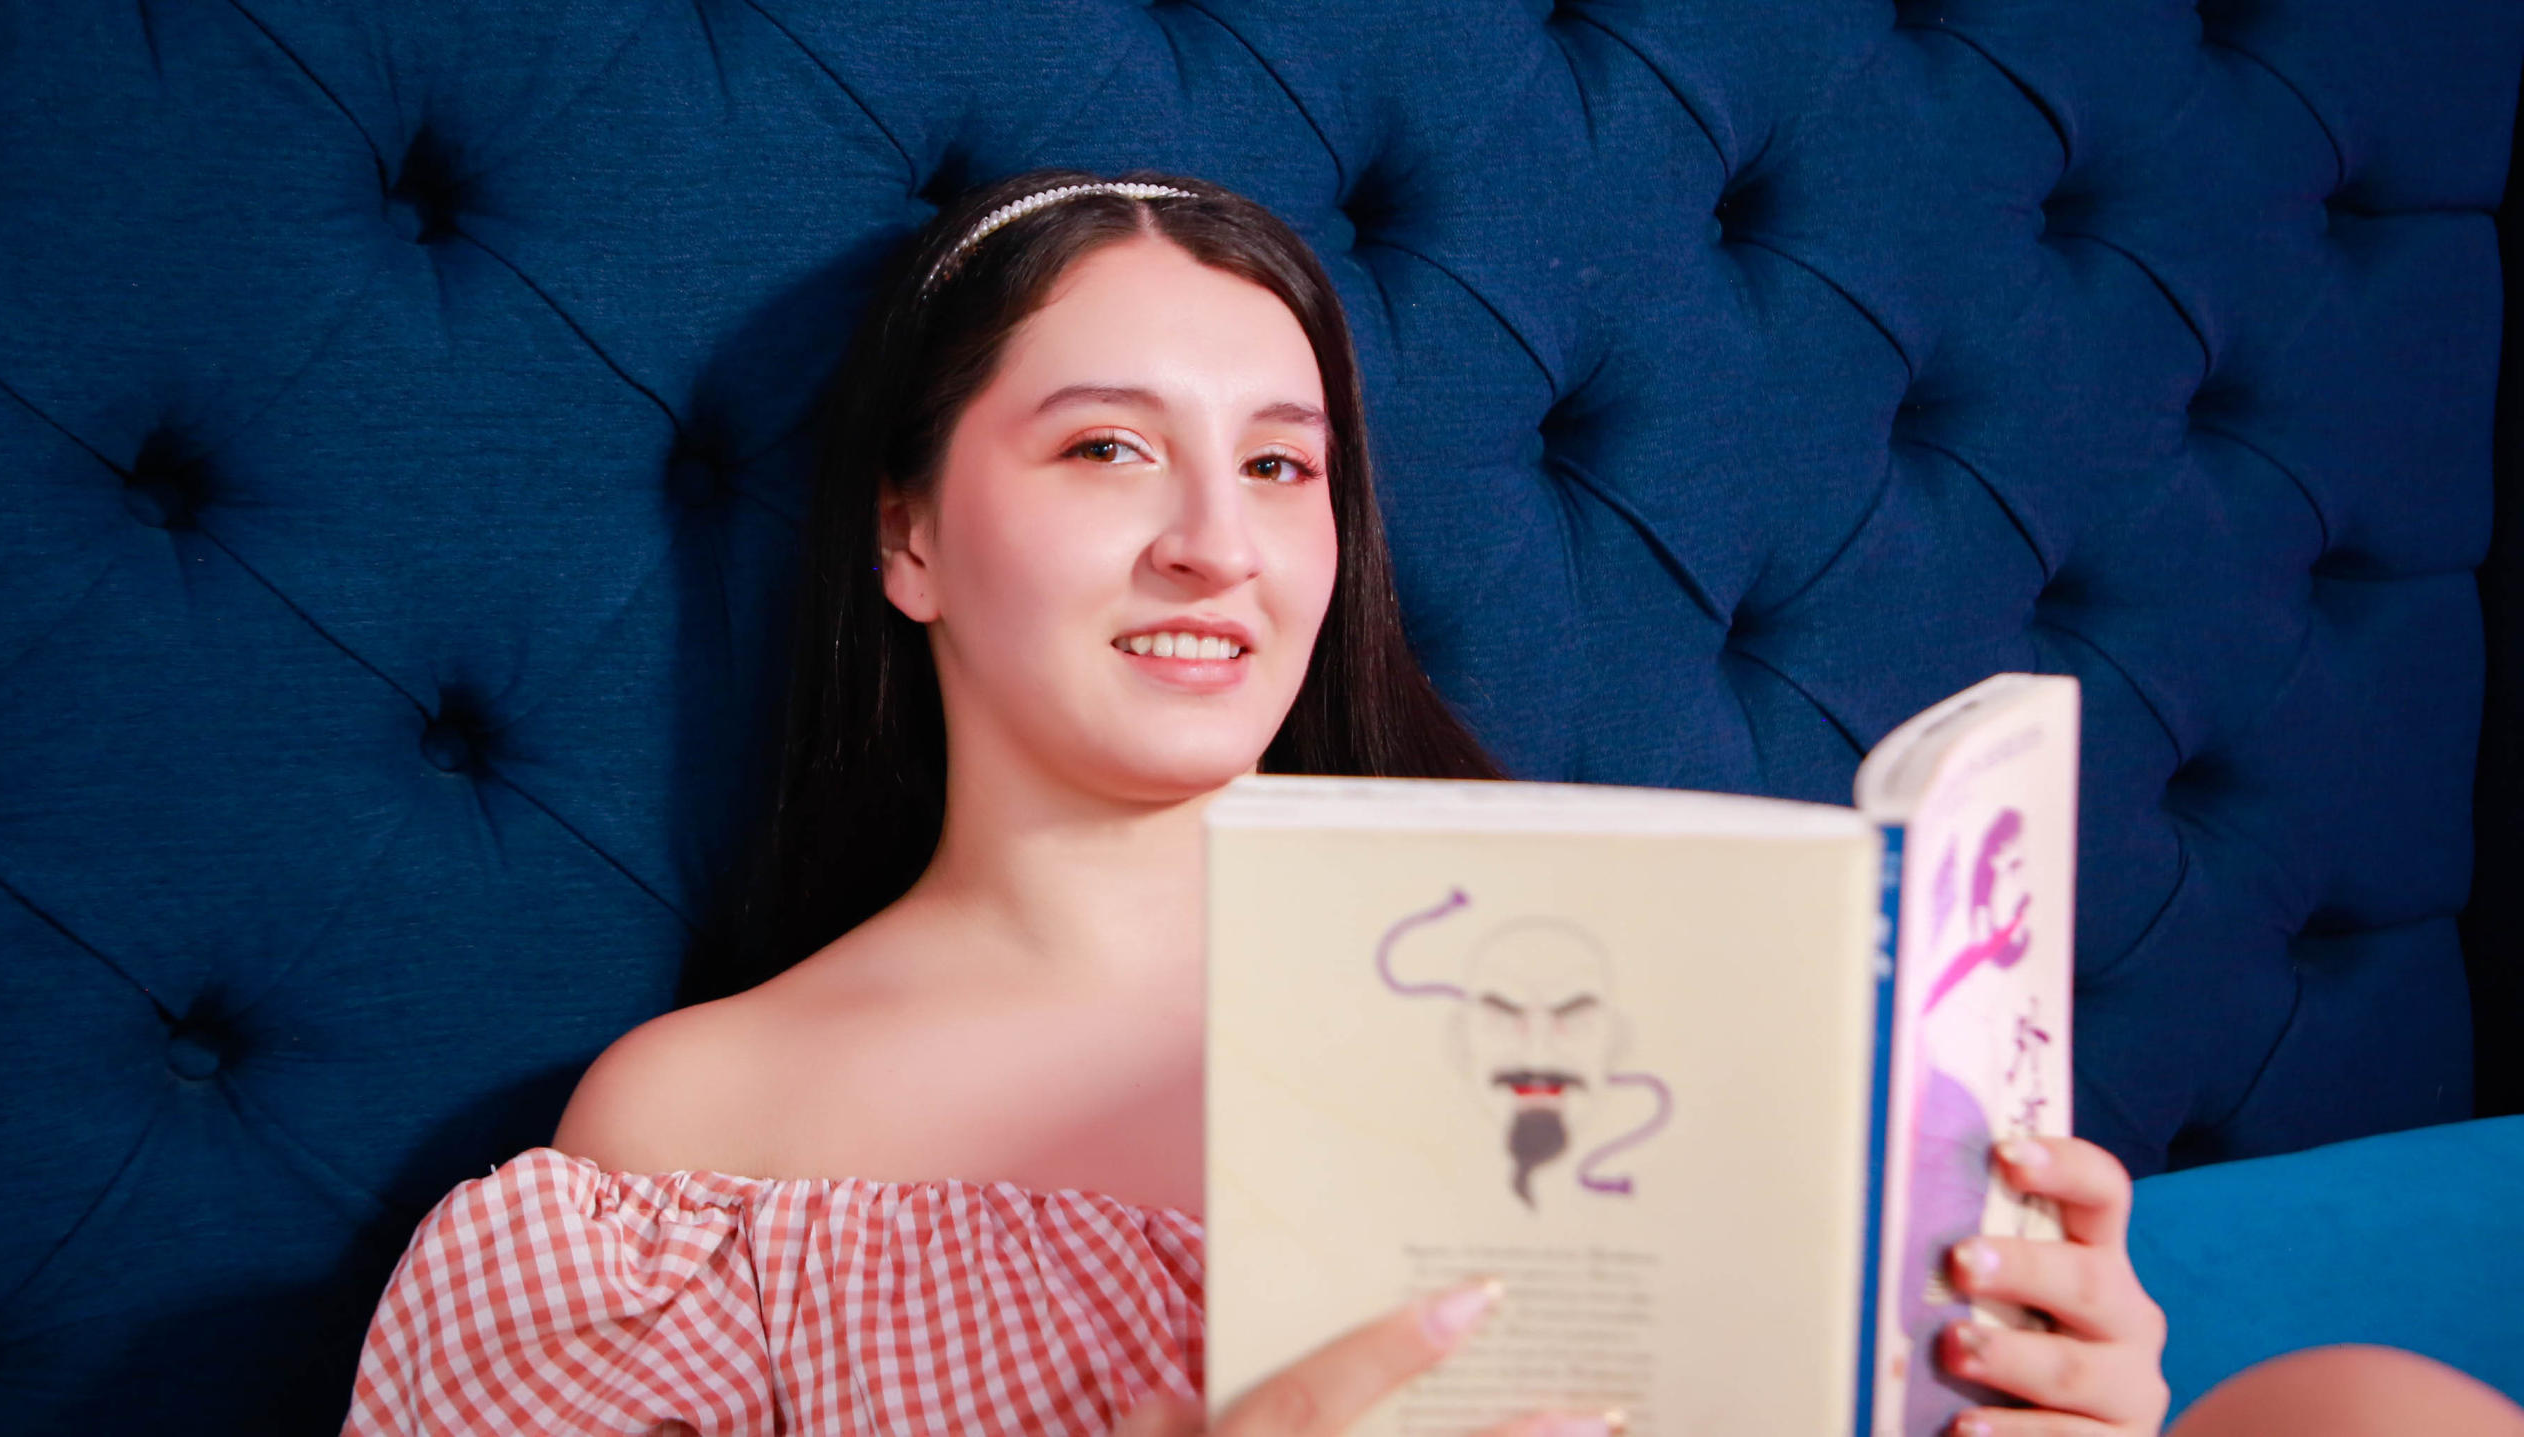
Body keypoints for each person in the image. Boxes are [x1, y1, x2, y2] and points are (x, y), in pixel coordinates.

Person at [337, 169, 2523, 1437]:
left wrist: (2031, 1391)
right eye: (1106, 448)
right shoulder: (698, 1139)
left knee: (2366, 1404)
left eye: (1281, 464)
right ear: (907, 534)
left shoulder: (1618, 961)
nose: (1217, 543)